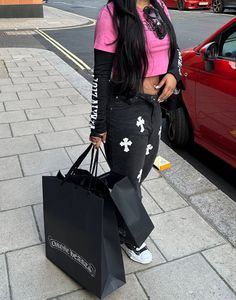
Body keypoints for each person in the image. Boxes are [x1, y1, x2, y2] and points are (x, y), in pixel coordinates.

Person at [89, 0, 182, 264]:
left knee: (140, 171)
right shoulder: (111, 14)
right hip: (125, 108)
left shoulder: (159, 7)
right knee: (128, 179)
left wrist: (174, 74)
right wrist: (99, 124)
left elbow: (175, 50)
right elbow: (101, 74)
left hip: (154, 107)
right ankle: (131, 237)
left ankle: (115, 218)